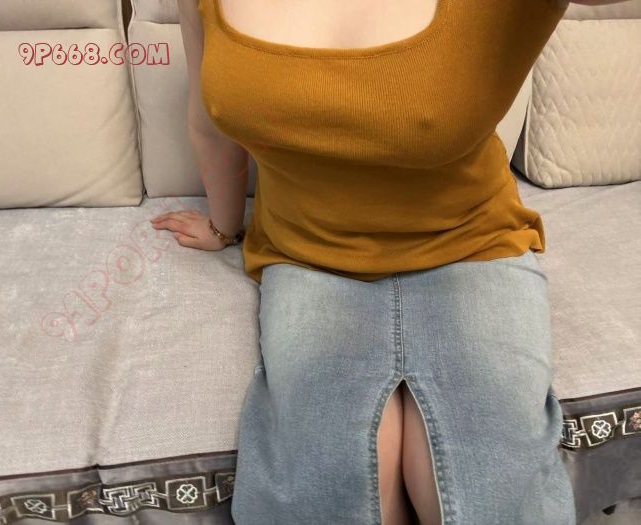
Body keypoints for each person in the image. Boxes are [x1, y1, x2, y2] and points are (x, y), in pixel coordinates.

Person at [151, 1, 627, 523]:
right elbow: (211, 125)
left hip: (469, 241)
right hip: (307, 253)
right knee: (325, 493)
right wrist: (222, 227)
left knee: (492, 497)